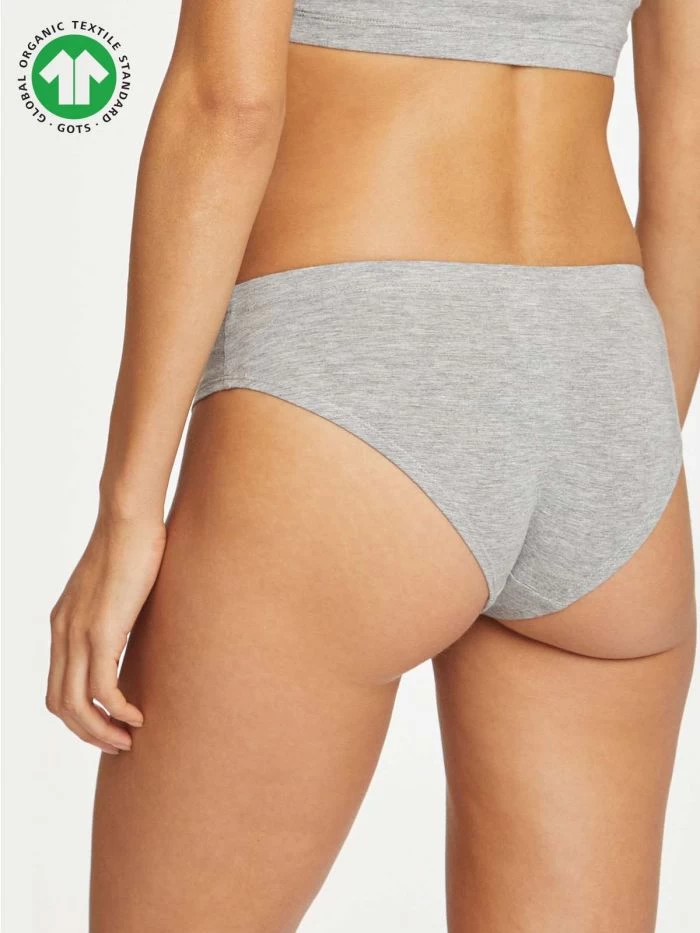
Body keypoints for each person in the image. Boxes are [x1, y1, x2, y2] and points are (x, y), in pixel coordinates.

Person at [47, 1, 699, 930]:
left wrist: (127, 512)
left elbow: (227, 104)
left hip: (348, 377)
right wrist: (615, 454)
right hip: (606, 385)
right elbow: (687, 151)